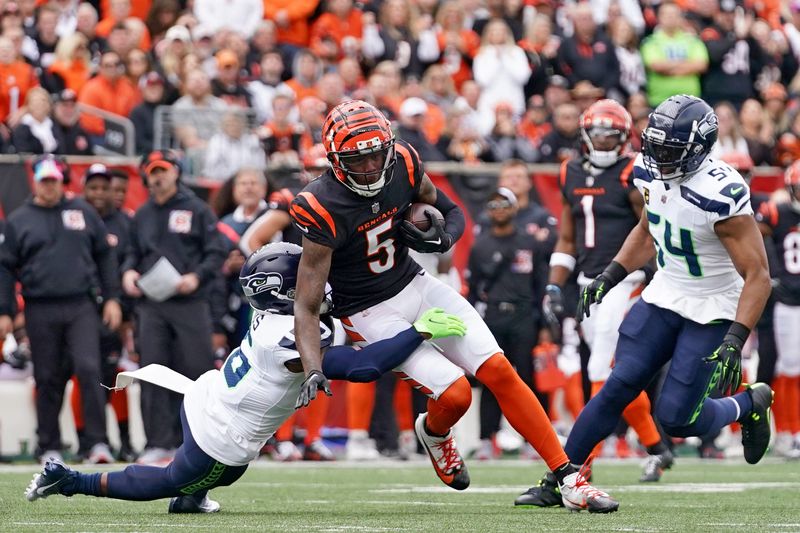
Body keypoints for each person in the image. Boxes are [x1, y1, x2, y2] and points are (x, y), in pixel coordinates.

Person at [290, 99, 618, 512]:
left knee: (499, 370)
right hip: (369, 309)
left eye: (377, 155)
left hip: (415, 282)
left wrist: (443, 238)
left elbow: (450, 210)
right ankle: (435, 432)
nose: (372, 167)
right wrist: (314, 367)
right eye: (360, 160)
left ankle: (568, 477)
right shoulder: (320, 204)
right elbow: (307, 303)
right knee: (457, 394)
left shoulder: (405, 162)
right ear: (336, 161)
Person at [25, 242, 467, 512]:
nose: (315, 281)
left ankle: (194, 496)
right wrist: (420, 331)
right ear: (282, 292)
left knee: (216, 478)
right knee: (174, 479)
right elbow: (361, 366)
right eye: (303, 279)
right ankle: (69, 480)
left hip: (207, 396)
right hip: (221, 436)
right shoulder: (290, 336)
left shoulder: (275, 310)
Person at [517, 94, 774, 507]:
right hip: (666, 292)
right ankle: (560, 478)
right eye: (655, 147)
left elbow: (758, 275)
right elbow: (647, 227)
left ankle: (747, 404)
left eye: (671, 151)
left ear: (700, 148)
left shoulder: (721, 192)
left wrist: (735, 338)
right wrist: (610, 274)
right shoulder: (648, 170)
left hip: (712, 306)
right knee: (617, 385)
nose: (660, 158)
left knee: (676, 418)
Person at [536, 100, 672, 495]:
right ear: (584, 134)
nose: (603, 140)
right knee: (614, 373)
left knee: (598, 367)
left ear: (624, 136)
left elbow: (651, 231)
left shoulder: (634, 171)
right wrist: (553, 284)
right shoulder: (569, 171)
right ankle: (656, 446)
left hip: (626, 280)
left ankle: (580, 464)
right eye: (597, 133)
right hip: (586, 279)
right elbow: (567, 235)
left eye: (611, 133)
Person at [0, 156, 122, 464]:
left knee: (89, 368)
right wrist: (6, 310)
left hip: (81, 304)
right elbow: (5, 268)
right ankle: (49, 445)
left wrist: (111, 298)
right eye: (44, 181)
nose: (49, 186)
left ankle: (96, 444)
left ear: (61, 181)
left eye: (54, 180)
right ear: (36, 182)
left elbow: (105, 256)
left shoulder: (82, 212)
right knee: (47, 375)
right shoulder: (19, 220)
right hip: (40, 307)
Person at [121, 150, 225, 466]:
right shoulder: (141, 215)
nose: (158, 177)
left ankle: (199, 440)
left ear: (176, 172)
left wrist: (196, 277)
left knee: (196, 371)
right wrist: (128, 272)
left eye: (163, 170)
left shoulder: (198, 210)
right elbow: (130, 253)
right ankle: (157, 442)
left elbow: (216, 253)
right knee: (153, 371)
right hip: (152, 305)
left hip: (190, 303)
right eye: (152, 172)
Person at [466, 187, 548, 460]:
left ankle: (534, 440)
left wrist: (546, 325)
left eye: (504, 204)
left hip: (525, 316)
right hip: (493, 318)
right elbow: (474, 290)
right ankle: (486, 439)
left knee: (528, 380)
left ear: (514, 208)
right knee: (492, 380)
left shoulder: (529, 242)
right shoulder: (480, 246)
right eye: (493, 204)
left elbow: (541, 285)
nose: (499, 209)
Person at [755, 161, 800, 458]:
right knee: (790, 367)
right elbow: (754, 233)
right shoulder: (777, 212)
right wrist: (772, 273)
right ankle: (788, 431)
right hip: (788, 301)